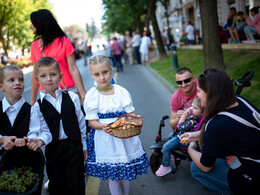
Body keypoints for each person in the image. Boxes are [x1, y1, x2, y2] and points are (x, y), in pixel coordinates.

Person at [180, 68, 260, 195]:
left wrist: (190, 149)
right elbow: (232, 132)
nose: (197, 95)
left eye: (200, 91)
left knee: (196, 168)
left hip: (253, 177)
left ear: (211, 94)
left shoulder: (216, 124)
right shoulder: (239, 100)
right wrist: (196, 135)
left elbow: (206, 166)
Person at [84, 55, 149, 195]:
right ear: (92, 75)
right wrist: (102, 126)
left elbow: (130, 114)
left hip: (124, 138)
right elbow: (92, 121)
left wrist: (135, 118)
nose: (102, 77)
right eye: (97, 74)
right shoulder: (92, 95)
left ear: (111, 70)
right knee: (114, 176)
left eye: (105, 72)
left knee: (124, 174)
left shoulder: (121, 91)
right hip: (106, 139)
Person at [33, 57, 87, 195]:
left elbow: (81, 123)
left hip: (74, 147)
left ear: (60, 76)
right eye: (43, 76)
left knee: (76, 182)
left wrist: (84, 145)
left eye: (53, 74)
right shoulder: (37, 107)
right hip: (53, 149)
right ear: (37, 80)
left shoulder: (72, 97)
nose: (49, 79)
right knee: (57, 184)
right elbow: (39, 130)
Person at [0, 65, 52, 183]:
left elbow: (45, 132)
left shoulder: (32, 110)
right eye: (11, 80)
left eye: (21, 79)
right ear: (1, 86)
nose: (17, 83)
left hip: (31, 166)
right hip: (4, 166)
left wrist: (37, 141)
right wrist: (3, 140)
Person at [29, 9, 86, 105]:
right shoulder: (34, 46)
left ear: (41, 24)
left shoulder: (64, 41)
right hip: (46, 94)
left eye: (33, 23)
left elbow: (73, 69)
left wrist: (82, 92)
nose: (30, 26)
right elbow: (35, 74)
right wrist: (33, 100)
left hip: (68, 91)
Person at [156, 98, 204, 177]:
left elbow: (179, 126)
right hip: (183, 136)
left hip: (183, 141)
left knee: (166, 147)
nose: (191, 109)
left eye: (195, 108)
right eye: (191, 106)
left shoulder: (193, 121)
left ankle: (166, 166)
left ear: (201, 113)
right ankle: (172, 154)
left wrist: (184, 114)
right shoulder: (193, 117)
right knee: (170, 136)